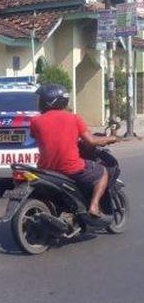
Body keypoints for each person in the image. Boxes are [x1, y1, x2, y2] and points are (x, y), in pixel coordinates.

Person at [30, 84, 118, 228]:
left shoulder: (35, 121)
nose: (38, 102)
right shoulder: (74, 118)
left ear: (49, 102)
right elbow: (91, 141)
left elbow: (40, 137)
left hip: (45, 169)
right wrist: (111, 138)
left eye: (41, 99)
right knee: (102, 172)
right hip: (70, 167)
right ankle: (94, 206)